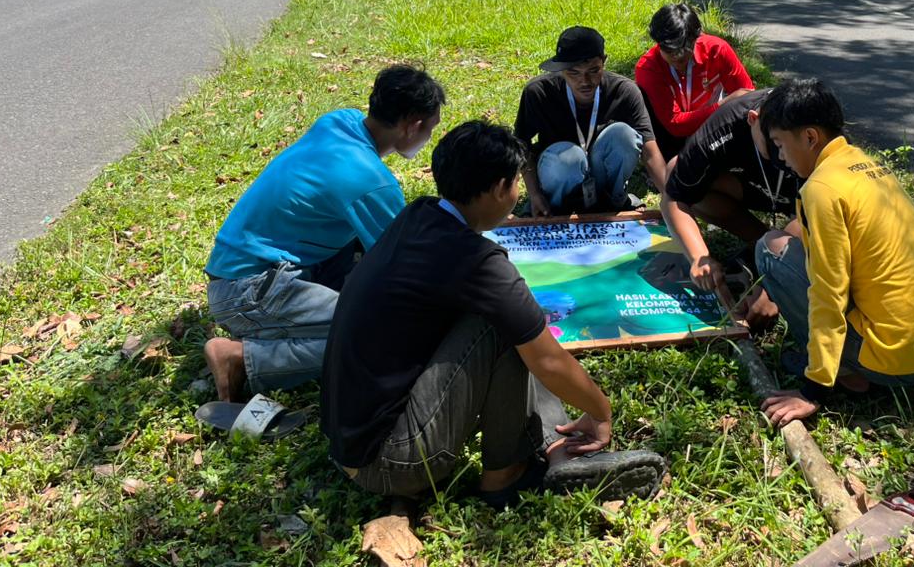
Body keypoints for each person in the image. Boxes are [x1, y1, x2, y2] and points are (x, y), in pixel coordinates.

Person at [321, 120, 667, 507]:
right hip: (390, 461)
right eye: (517, 181)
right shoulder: (478, 264)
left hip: (350, 442)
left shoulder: (419, 214)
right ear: (502, 188)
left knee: (511, 318)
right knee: (502, 326)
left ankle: (555, 446)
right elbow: (548, 360)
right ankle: (506, 477)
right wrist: (600, 411)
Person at [202, 65, 445, 402]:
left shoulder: (340, 120)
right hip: (248, 292)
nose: (427, 138)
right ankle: (241, 358)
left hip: (244, 267)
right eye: (429, 129)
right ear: (412, 126)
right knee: (381, 336)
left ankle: (294, 324)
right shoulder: (369, 181)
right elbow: (412, 266)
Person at [754, 79, 914, 428]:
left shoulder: (822, 189)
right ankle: (855, 361)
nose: (780, 156)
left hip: (896, 361)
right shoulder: (865, 164)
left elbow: (828, 292)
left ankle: (846, 370)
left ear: (809, 137)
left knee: (770, 249)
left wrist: (813, 389)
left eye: (780, 144)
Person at [659, 87, 797, 325]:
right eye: (773, 144)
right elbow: (674, 196)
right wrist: (700, 258)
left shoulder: (815, 134)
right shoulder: (726, 127)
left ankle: (775, 252)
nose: (781, 155)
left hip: (803, 204)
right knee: (676, 169)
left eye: (785, 146)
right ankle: (760, 242)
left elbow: (819, 218)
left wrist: (773, 286)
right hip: (753, 188)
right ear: (753, 120)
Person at [515, 26, 668, 215]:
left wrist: (671, 198)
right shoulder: (538, 92)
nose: (584, 81)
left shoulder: (625, 91)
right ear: (561, 70)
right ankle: (555, 207)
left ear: (604, 62)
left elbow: (650, 151)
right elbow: (521, 145)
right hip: (562, 170)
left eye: (593, 70)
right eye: (574, 73)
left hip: (601, 170)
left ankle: (612, 200)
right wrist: (535, 195)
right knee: (568, 160)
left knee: (624, 136)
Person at [634, 3, 754, 160]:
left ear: (698, 36)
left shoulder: (717, 50)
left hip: (712, 130)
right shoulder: (648, 68)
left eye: (686, 47)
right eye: (670, 51)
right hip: (669, 139)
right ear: (658, 44)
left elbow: (749, 98)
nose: (678, 56)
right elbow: (675, 124)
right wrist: (724, 106)